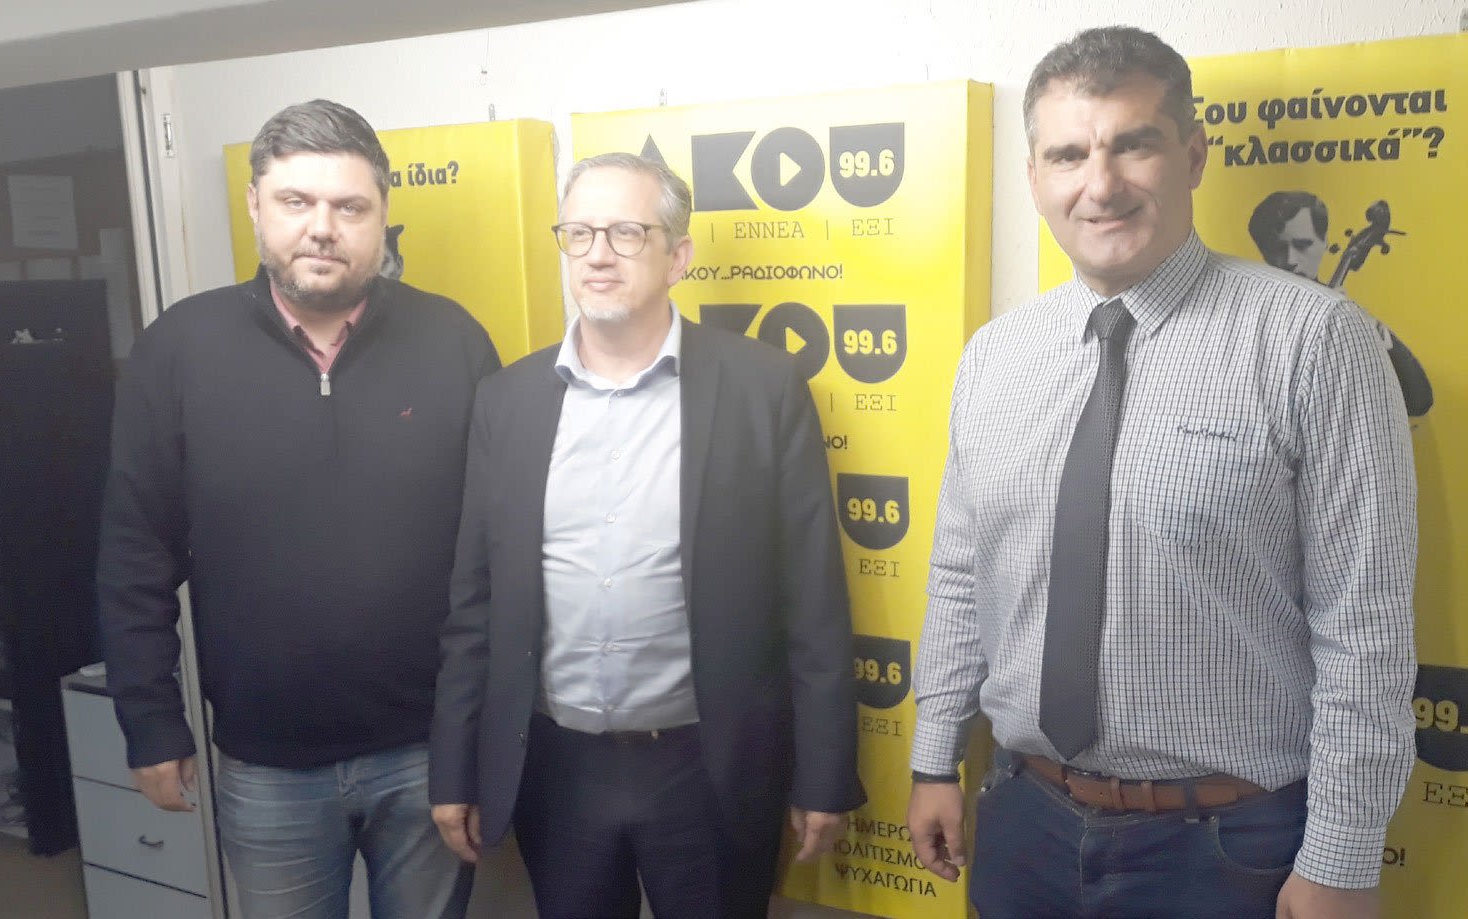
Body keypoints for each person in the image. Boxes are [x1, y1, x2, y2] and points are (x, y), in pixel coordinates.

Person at [907, 27, 1416, 919]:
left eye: (1132, 144)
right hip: (1022, 821)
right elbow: (960, 573)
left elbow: (1364, 626)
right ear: (1035, 176)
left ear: (1192, 155)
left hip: (1229, 848)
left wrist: (1341, 857)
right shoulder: (995, 356)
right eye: (1068, 154)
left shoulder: (1313, 341)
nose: (1099, 184)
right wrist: (932, 757)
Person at [428, 152, 864, 919]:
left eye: (626, 232)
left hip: (707, 768)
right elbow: (474, 605)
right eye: (580, 233)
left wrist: (825, 773)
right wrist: (455, 768)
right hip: (555, 768)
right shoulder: (507, 400)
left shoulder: (763, 388)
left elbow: (815, 603)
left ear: (677, 256)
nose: (598, 254)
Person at [97, 99, 498, 919]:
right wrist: (150, 719)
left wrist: (480, 737)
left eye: (349, 206)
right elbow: (136, 553)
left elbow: (492, 556)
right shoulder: (177, 350)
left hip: (429, 754)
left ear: (382, 215)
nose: (323, 228)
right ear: (255, 204)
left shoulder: (453, 341)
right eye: (296, 201)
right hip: (267, 767)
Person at [1247, 190, 1433, 416]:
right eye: (1277, 249)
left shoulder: (1352, 320)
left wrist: (1368, 331)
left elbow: (1419, 401)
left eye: (1302, 245)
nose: (1290, 260)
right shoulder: (1249, 321)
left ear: (1324, 243)